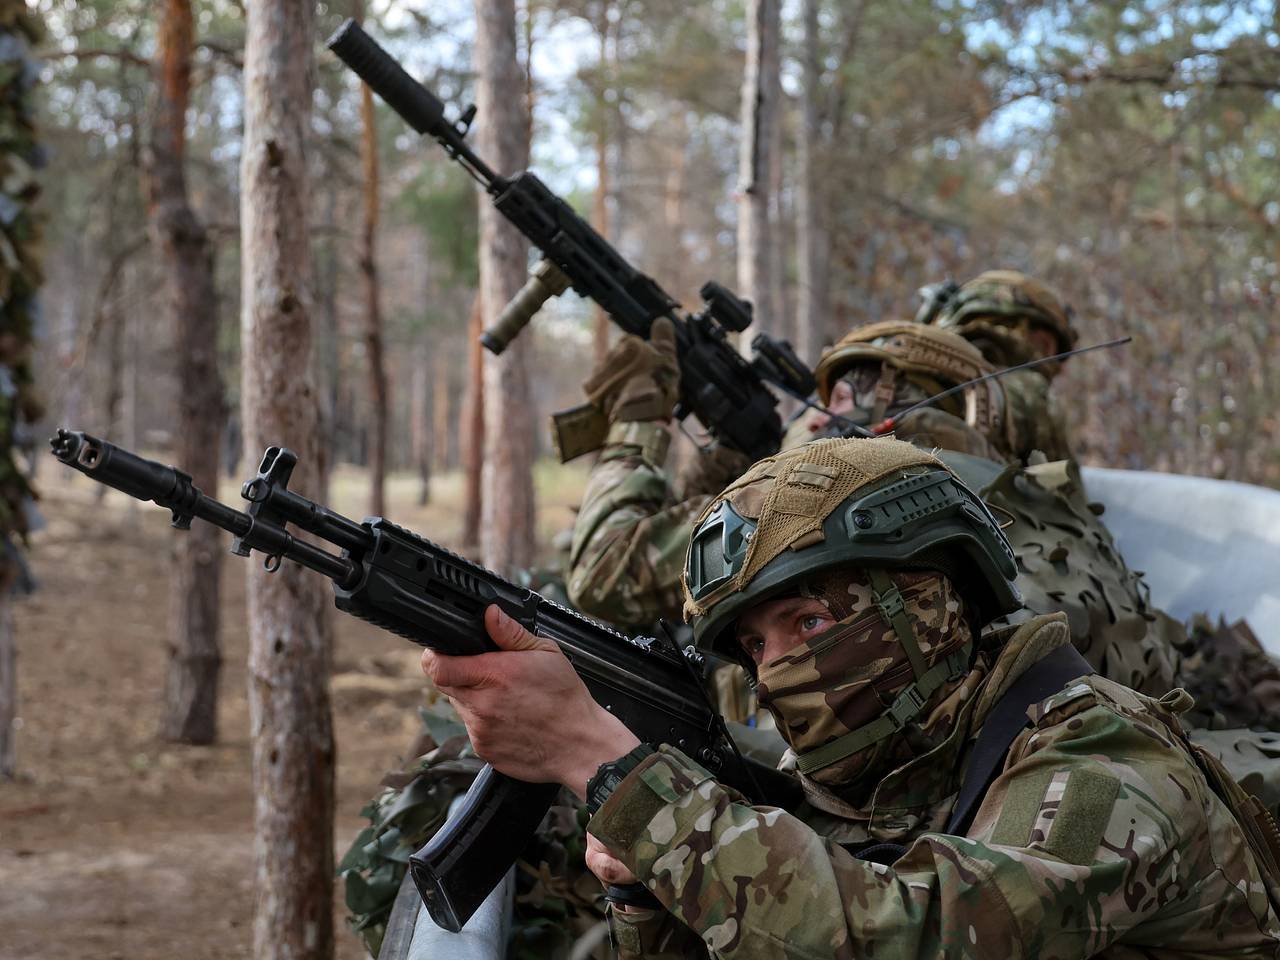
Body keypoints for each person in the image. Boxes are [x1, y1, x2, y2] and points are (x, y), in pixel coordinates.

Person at [423, 436, 1280, 958]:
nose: (776, 670)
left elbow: (913, 940)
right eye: (755, 646)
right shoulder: (883, 774)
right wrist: (646, 894)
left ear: (934, 604)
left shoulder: (1106, 766)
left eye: (810, 620)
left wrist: (607, 767)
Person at [922, 269, 1076, 463]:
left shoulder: (912, 365)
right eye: (1054, 350)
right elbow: (1064, 479)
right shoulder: (1030, 388)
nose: (1056, 367)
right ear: (1044, 342)